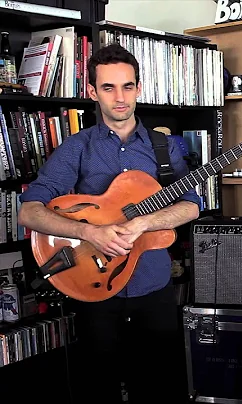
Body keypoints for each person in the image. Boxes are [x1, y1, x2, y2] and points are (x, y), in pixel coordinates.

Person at [17, 43, 200, 403]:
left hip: (153, 284)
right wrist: (89, 231)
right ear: (92, 92)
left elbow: (191, 205)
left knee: (161, 385)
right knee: (98, 387)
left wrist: (144, 223)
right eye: (108, 87)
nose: (120, 98)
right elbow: (29, 210)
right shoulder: (77, 147)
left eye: (127, 86)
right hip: (96, 284)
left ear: (139, 89)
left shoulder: (164, 147)